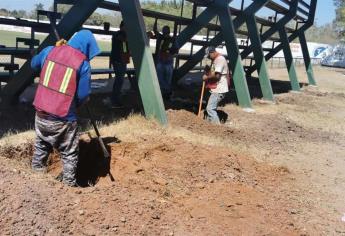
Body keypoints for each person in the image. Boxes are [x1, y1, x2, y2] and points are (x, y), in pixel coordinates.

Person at [31, 30, 100, 187]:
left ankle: (35, 176)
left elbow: (33, 63)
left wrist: (49, 52)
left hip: (41, 113)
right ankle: (68, 186)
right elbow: (83, 95)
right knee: (69, 153)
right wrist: (74, 106)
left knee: (42, 145)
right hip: (63, 118)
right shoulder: (83, 64)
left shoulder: (50, 50)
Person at [149, 25, 178, 99]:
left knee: (163, 79)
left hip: (166, 62)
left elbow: (175, 50)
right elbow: (155, 30)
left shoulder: (170, 39)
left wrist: (168, 52)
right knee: (162, 79)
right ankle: (167, 92)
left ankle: (166, 94)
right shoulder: (162, 37)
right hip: (164, 62)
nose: (164, 32)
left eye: (165, 30)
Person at [202, 46, 229, 124]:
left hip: (219, 88)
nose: (209, 58)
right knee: (211, 108)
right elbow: (213, 72)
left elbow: (217, 76)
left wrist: (206, 77)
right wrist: (208, 71)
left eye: (209, 56)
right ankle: (210, 124)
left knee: (210, 109)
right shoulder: (216, 59)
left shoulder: (220, 59)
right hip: (217, 88)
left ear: (212, 52)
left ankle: (216, 127)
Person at [106, 21, 130, 108]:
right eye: (126, 27)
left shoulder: (125, 35)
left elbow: (126, 46)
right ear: (121, 27)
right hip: (117, 60)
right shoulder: (117, 34)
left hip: (123, 61)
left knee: (120, 80)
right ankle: (114, 99)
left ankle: (116, 97)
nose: (127, 29)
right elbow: (124, 39)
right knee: (119, 80)